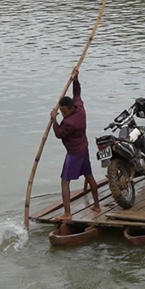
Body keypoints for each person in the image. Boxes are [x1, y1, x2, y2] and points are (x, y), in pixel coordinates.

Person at [50, 69, 101, 222]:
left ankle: (67, 214)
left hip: (74, 153)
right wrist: (76, 80)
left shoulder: (70, 122)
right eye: (60, 111)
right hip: (83, 148)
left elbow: (59, 134)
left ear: (71, 109)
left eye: (64, 111)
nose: (63, 114)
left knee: (65, 181)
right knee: (89, 175)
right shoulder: (80, 108)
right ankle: (97, 205)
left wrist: (54, 120)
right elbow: (77, 94)